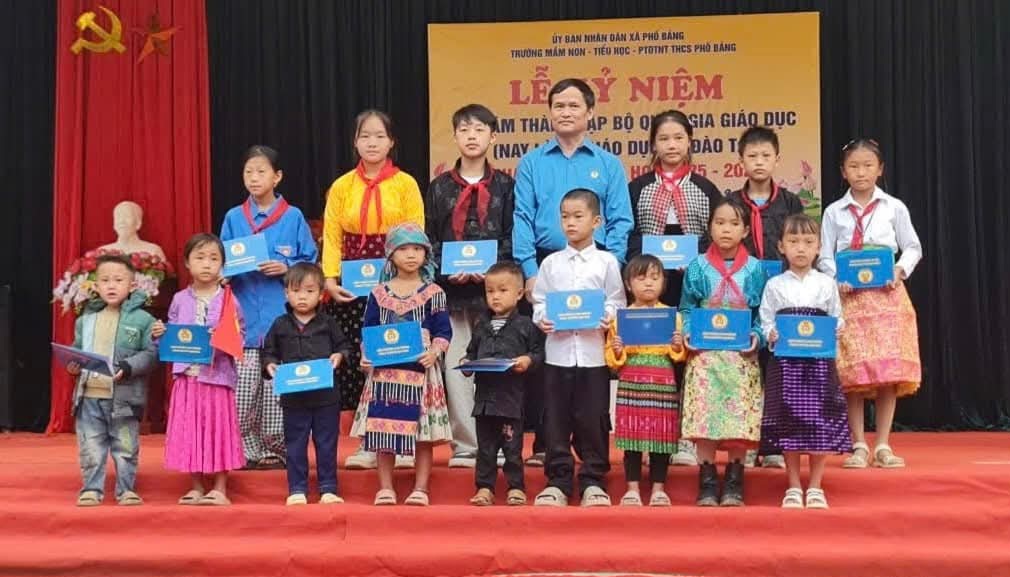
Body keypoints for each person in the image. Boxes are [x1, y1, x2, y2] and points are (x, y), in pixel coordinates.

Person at [513, 78, 633, 467]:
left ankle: (592, 452)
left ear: (590, 113)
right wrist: (530, 272)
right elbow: (522, 218)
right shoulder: (531, 162)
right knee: (549, 362)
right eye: (558, 106)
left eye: (573, 106)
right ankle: (548, 447)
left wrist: (605, 265)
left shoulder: (607, 164)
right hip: (548, 266)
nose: (565, 112)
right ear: (549, 112)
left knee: (590, 367)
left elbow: (621, 220)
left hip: (596, 268)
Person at [321, 110, 425, 470]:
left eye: (379, 136)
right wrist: (330, 280)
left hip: (398, 279)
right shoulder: (341, 186)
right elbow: (333, 235)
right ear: (355, 142)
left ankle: (407, 441)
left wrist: (409, 280)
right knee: (365, 364)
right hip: (352, 286)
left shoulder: (406, 184)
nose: (372, 143)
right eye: (365, 136)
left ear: (391, 141)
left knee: (401, 358)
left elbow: (415, 234)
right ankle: (369, 442)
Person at [626, 110, 723, 468]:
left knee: (684, 353)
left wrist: (694, 260)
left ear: (690, 143)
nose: (671, 145)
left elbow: (712, 236)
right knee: (652, 355)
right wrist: (643, 265)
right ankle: (647, 432)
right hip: (650, 283)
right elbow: (631, 234)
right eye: (664, 139)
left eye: (678, 138)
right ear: (653, 143)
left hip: (688, 280)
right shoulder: (637, 187)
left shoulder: (705, 188)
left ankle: (684, 435)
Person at [818, 139, 922, 469]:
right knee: (853, 375)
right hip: (850, 300)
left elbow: (913, 247)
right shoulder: (834, 212)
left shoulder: (894, 207)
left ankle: (883, 444)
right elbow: (824, 255)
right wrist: (838, 278)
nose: (861, 172)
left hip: (887, 298)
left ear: (880, 169)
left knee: (887, 372)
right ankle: (858, 444)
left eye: (867, 165)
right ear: (843, 172)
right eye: (853, 166)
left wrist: (899, 269)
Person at [426, 104, 515, 469]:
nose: (472, 136)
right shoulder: (439, 187)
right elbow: (430, 238)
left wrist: (492, 272)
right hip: (453, 293)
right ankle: (465, 443)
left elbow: (512, 235)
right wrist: (448, 271)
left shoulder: (507, 186)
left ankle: (498, 442)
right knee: (458, 364)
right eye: (464, 129)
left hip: (496, 296)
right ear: (455, 137)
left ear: (493, 137)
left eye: (479, 129)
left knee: (496, 365)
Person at [220, 145, 318, 470]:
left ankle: (277, 451)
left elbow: (310, 262)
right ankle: (245, 451)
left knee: (279, 393)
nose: (254, 178)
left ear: (277, 176)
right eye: (248, 172)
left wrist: (286, 266)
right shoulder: (234, 217)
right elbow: (221, 260)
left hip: (283, 322)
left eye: (261, 171)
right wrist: (223, 272)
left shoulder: (292, 217)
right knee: (244, 393)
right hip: (244, 321)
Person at [531, 189, 627, 507]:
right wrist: (542, 318)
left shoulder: (607, 262)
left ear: (596, 221)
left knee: (593, 418)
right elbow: (540, 301)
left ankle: (592, 479)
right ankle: (558, 480)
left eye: (578, 216)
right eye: (564, 217)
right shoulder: (551, 263)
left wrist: (606, 317)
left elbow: (616, 300)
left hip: (592, 356)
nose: (570, 223)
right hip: (557, 354)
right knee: (556, 418)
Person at [350, 223, 453, 506]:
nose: (411, 255)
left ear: (427, 254)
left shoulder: (434, 293)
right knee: (384, 428)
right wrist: (365, 355)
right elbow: (368, 330)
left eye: (417, 249)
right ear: (390, 256)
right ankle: (385, 487)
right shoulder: (378, 294)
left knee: (422, 434)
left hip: (422, 372)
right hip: (386, 373)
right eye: (403, 249)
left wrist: (434, 351)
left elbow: (444, 331)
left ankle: (421, 488)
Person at [759, 214, 851, 508]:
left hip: (818, 365)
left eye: (808, 242)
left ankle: (815, 486)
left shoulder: (826, 284)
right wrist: (771, 332)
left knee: (819, 422)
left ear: (819, 248)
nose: (801, 248)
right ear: (781, 246)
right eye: (794, 242)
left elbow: (838, 318)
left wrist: (835, 327)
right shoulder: (774, 285)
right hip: (786, 365)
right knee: (790, 423)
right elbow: (764, 322)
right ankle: (793, 485)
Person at [680, 197, 766, 507]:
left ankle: (734, 480)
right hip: (705, 356)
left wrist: (757, 337)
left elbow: (761, 315)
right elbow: (687, 309)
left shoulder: (755, 270)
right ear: (709, 227)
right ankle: (705, 480)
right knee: (705, 417)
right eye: (719, 223)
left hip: (741, 357)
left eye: (733, 223)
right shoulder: (697, 266)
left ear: (745, 230)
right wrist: (689, 332)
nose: (725, 229)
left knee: (738, 421)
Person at [727, 125, 804, 470]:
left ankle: (772, 443)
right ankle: (741, 442)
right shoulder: (729, 203)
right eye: (752, 156)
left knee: (776, 370)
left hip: (781, 298)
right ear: (740, 160)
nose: (759, 162)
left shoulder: (790, 202)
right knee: (743, 369)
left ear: (776, 159)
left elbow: (802, 244)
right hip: (741, 299)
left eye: (765, 156)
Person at [66, 254, 160, 506]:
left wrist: (128, 367)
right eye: (105, 280)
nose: (111, 285)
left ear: (132, 286)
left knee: (125, 445)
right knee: (91, 446)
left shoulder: (143, 320)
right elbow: (76, 351)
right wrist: (73, 366)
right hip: (89, 396)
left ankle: (126, 489)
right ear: (95, 286)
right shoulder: (84, 321)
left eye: (118, 280)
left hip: (124, 398)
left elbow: (152, 354)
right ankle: (91, 489)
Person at [164, 234, 246, 506]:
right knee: (190, 430)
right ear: (187, 263)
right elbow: (171, 336)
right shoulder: (178, 299)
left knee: (218, 430)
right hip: (187, 378)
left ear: (223, 265)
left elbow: (239, 336)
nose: (207, 264)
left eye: (214, 258)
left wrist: (223, 337)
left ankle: (220, 488)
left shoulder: (229, 300)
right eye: (200, 258)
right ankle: (196, 486)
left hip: (217, 377)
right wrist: (160, 334)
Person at [263, 263, 353, 506]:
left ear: (322, 293)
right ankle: (297, 488)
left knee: (326, 443)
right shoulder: (280, 324)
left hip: (326, 397)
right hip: (294, 398)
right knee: (295, 444)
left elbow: (344, 346)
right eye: (296, 290)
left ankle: (328, 488)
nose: (302, 296)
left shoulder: (328, 323)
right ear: (286, 293)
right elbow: (268, 352)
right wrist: (270, 365)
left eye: (310, 291)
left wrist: (339, 356)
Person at [459, 261, 543, 506]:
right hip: (484, 400)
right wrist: (466, 363)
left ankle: (516, 487)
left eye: (502, 290)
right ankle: (484, 488)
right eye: (490, 291)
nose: (495, 297)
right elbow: (471, 352)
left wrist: (527, 360)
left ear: (519, 293)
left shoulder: (525, 325)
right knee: (485, 448)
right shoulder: (481, 325)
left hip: (511, 400)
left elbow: (538, 353)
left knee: (512, 448)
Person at [606, 254, 686, 507]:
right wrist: (618, 350)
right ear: (629, 284)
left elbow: (679, 355)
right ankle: (631, 489)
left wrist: (677, 346)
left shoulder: (672, 316)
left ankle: (659, 489)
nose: (648, 284)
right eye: (641, 278)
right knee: (632, 434)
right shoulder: (620, 318)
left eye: (655, 277)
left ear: (664, 282)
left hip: (662, 378)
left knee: (661, 436)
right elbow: (611, 358)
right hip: (631, 378)